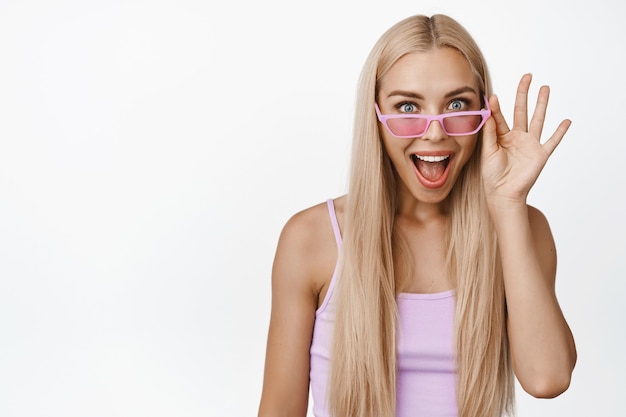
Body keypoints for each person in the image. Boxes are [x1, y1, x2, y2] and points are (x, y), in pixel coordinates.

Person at [257, 13, 576, 417]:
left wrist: (509, 204)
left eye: (457, 104)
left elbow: (548, 378)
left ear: (484, 115)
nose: (435, 131)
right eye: (408, 106)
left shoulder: (521, 226)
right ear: (376, 116)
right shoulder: (311, 238)